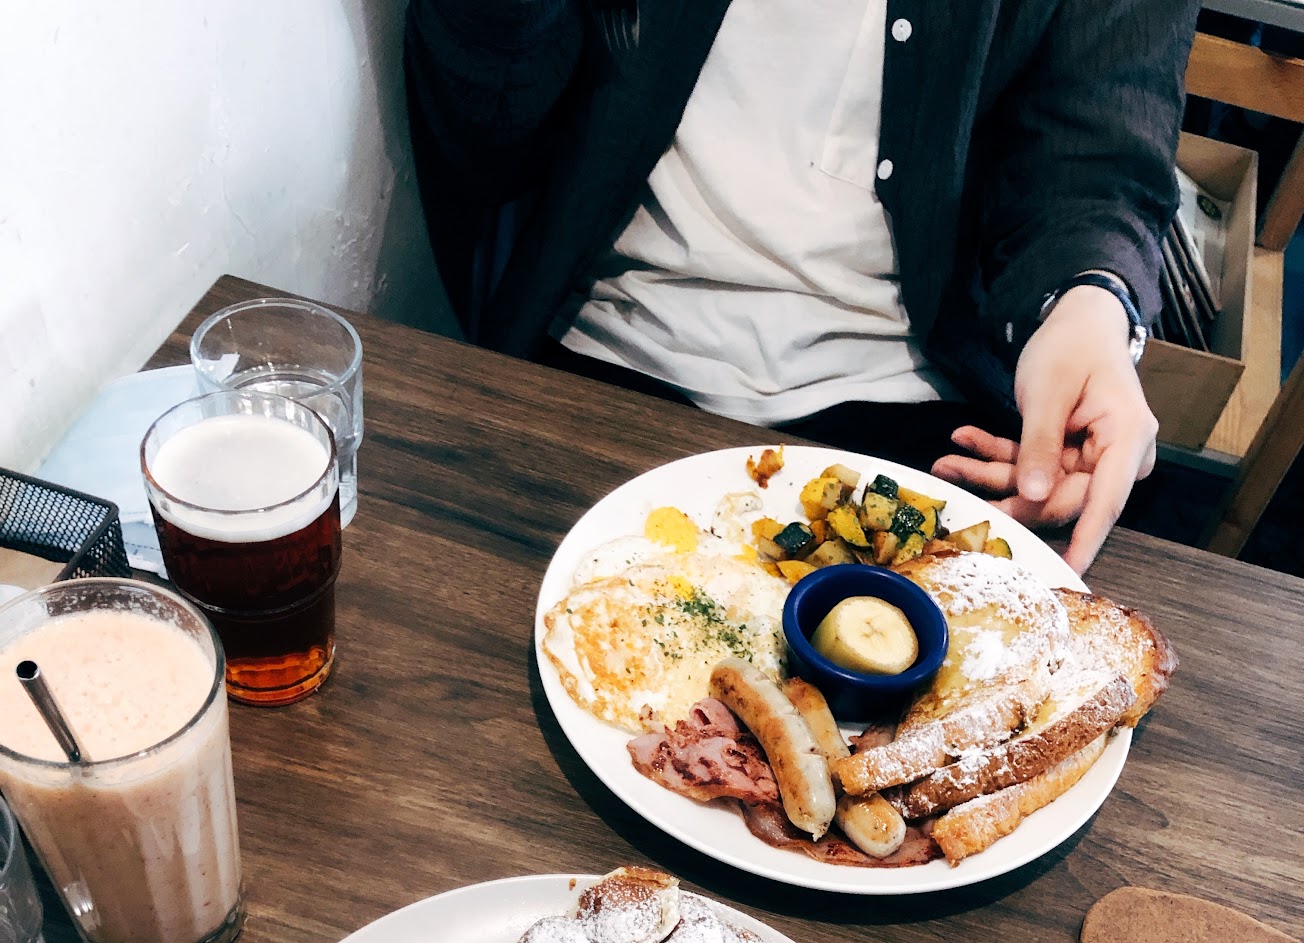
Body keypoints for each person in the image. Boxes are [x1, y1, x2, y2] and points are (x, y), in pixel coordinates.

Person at [403, 0, 1202, 573]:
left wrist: (1089, 305)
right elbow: (485, 134)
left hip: (913, 409)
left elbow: (1097, 156)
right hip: (606, 351)